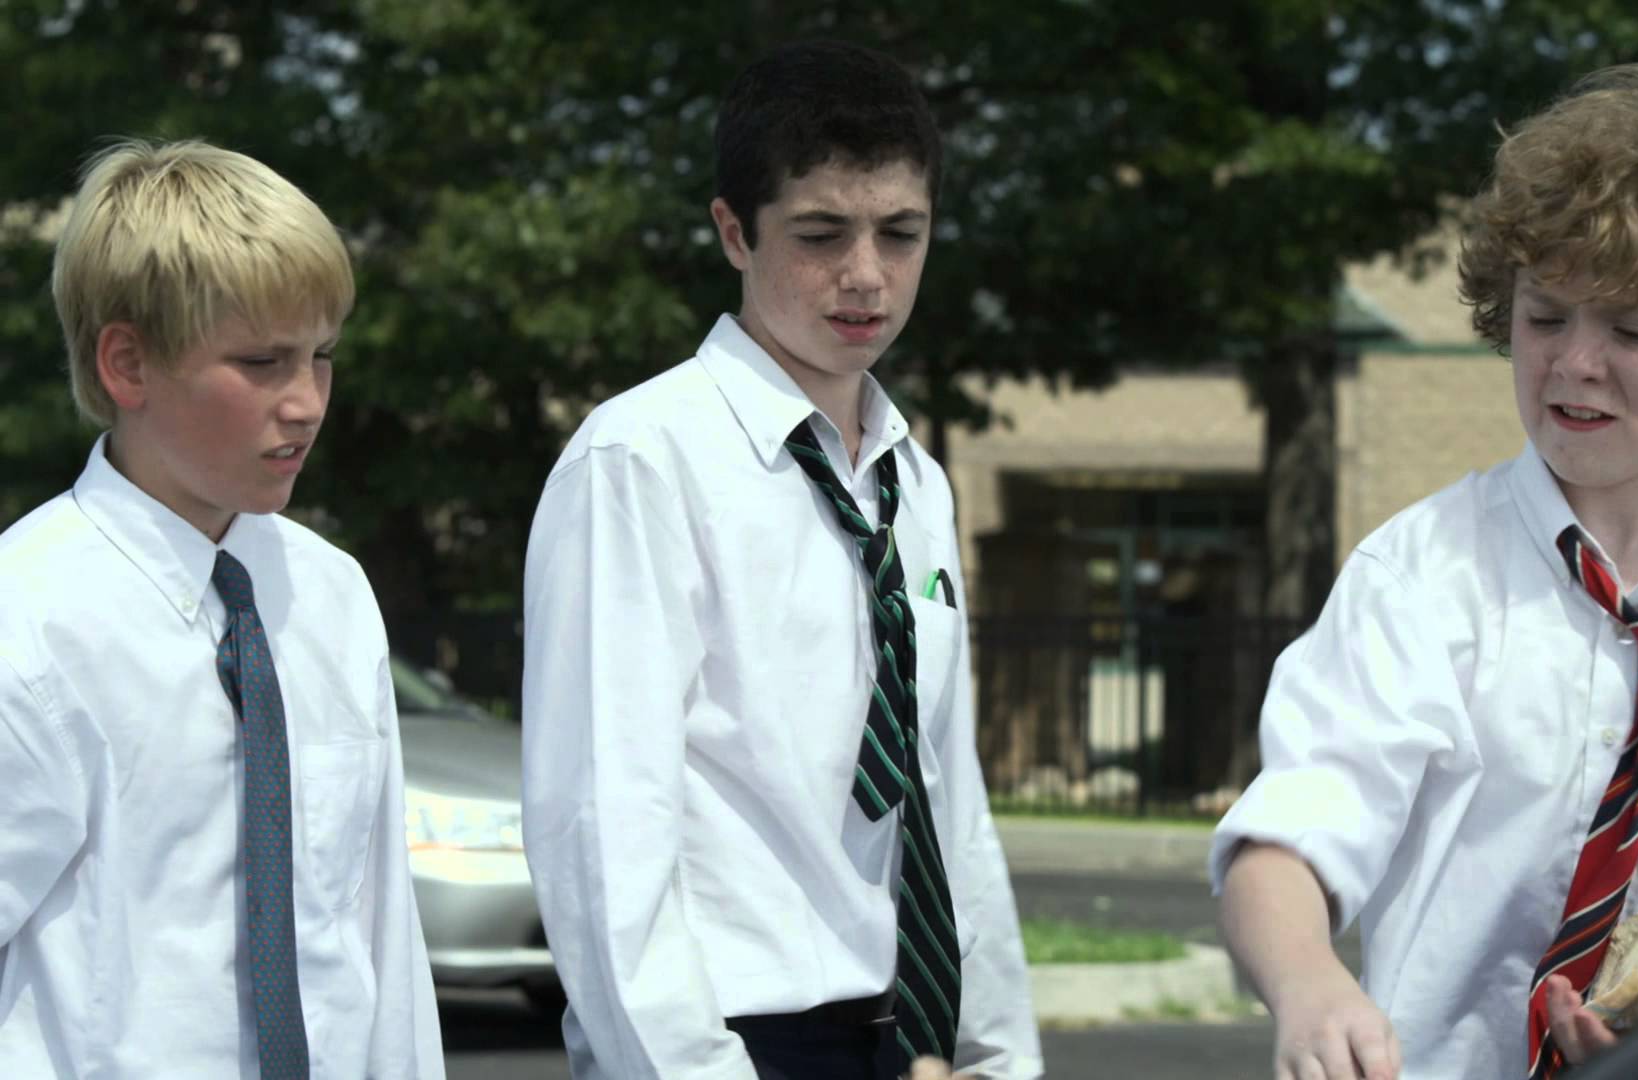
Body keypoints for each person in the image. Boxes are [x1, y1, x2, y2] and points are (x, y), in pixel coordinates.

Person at [1212, 64, 1638, 1080]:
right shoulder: (1422, 572)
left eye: (1632, 329)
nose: (1575, 363)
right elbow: (1289, 834)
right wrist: (1310, 984)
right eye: (1545, 317)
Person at [520, 38, 1041, 1080]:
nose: (866, 275)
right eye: (820, 233)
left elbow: (947, 795)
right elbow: (603, 824)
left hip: (900, 1035)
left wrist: (995, 1050)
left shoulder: (914, 483)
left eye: (901, 233)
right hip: (726, 1039)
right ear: (734, 232)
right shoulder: (643, 460)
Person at [0, 139, 444, 1077]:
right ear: (128, 363)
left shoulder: (330, 593)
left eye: (321, 357)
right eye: (261, 362)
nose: (307, 402)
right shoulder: (29, 617)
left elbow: (377, 929)